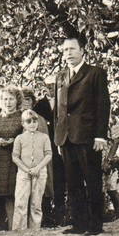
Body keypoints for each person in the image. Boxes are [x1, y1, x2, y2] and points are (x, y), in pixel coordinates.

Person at [55, 35, 111, 236]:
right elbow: (59, 110)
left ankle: (95, 225)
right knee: (73, 183)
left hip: (88, 136)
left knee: (92, 180)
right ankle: (79, 224)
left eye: (71, 49)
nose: (68, 54)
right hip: (67, 138)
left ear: (82, 50)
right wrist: (58, 136)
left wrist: (100, 136)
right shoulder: (60, 76)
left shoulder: (95, 73)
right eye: (64, 50)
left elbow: (102, 105)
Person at [0, 85, 23, 231]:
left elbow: (29, 137)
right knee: (5, 195)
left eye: (11, 99)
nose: (8, 102)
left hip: (17, 160)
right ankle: (9, 227)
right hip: (0, 160)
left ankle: (20, 225)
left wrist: (15, 141)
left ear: (17, 100)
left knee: (18, 193)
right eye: (5, 99)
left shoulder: (22, 117)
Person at [11, 109, 52, 230]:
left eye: (34, 120)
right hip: (23, 174)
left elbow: (48, 154)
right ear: (23, 124)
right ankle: (19, 229)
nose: (32, 123)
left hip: (40, 173)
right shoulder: (19, 138)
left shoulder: (44, 137)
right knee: (20, 202)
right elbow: (15, 156)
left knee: (36, 202)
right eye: (28, 121)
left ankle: (35, 229)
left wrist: (38, 168)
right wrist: (26, 169)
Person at [33, 74, 66, 226]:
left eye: (54, 85)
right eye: (49, 85)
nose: (51, 88)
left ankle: (61, 215)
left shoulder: (65, 102)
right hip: (45, 149)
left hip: (62, 147)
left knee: (60, 181)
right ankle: (46, 217)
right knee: (45, 181)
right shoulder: (38, 106)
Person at [103, 106, 119, 221]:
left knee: (111, 187)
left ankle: (118, 215)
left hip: (108, 157)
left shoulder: (113, 120)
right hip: (96, 156)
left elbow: (116, 141)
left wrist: (109, 160)